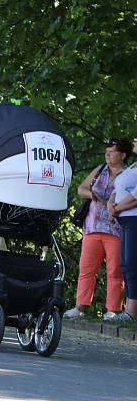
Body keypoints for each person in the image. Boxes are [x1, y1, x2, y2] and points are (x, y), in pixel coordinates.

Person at [64, 137, 129, 320]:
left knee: (115, 272)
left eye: (113, 151)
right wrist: (96, 196)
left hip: (116, 229)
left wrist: (106, 199)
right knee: (86, 269)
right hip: (92, 227)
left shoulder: (128, 174)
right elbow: (81, 189)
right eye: (107, 150)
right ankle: (80, 307)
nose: (108, 154)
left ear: (123, 155)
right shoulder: (100, 170)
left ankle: (113, 310)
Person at [109, 136, 137, 322]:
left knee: (131, 264)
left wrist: (116, 208)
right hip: (125, 221)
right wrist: (112, 203)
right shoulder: (133, 166)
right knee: (127, 264)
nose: (134, 140)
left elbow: (135, 197)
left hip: (134, 219)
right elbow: (116, 189)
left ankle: (130, 312)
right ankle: (129, 311)